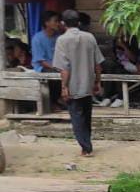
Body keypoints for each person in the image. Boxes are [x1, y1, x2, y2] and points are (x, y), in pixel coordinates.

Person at [53, 9, 105, 157]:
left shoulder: (62, 40)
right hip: (88, 84)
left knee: (77, 117)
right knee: (86, 116)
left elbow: (65, 69)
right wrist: (98, 81)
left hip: (73, 86)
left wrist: (64, 87)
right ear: (79, 22)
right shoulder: (89, 37)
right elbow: (98, 64)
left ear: (63, 24)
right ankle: (86, 145)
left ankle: (86, 147)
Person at [31, 10, 63, 110]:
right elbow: (40, 60)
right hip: (43, 67)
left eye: (59, 21)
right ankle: (53, 102)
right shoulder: (37, 38)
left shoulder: (59, 37)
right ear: (47, 23)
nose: (58, 23)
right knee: (55, 75)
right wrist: (56, 67)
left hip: (58, 66)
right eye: (56, 21)